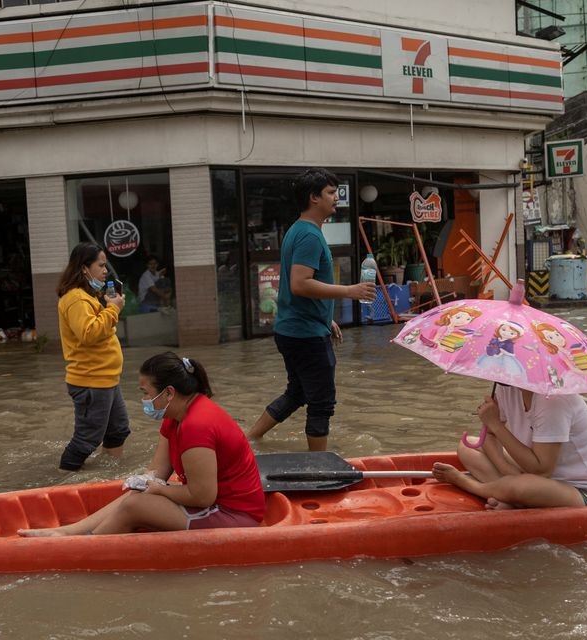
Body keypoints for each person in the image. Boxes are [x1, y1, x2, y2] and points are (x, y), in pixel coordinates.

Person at [19, 352, 265, 536]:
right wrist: (146, 482)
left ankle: (81, 547)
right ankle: (68, 532)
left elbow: (202, 497)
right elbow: (157, 473)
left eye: (147, 393)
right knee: (137, 493)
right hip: (215, 505)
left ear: (169, 393)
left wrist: (159, 490)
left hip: (235, 515)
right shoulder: (176, 418)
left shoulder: (196, 426)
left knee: (136, 505)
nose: (144, 400)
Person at [247, 168, 376, 451]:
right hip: (304, 334)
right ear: (313, 197)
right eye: (331, 193)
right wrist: (349, 291)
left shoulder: (301, 230)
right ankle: (319, 464)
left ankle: (250, 439)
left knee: (298, 393)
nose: (336, 198)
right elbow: (300, 284)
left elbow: (301, 286)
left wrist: (326, 318)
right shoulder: (309, 235)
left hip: (297, 327)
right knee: (321, 401)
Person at [431, 383, 587, 509]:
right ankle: (510, 497)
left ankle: (471, 485)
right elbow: (489, 439)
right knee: (468, 446)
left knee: (523, 486)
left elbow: (541, 471)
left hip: (584, 493)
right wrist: (508, 471)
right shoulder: (505, 387)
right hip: (534, 475)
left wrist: (494, 423)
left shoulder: (554, 401)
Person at [55, 242, 130, 471]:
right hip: (91, 380)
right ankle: (61, 483)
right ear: (84, 268)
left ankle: (109, 475)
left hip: (105, 378)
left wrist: (110, 306)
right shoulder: (76, 298)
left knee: (118, 429)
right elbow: (89, 334)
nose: (105, 271)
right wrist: (113, 309)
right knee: (86, 440)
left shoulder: (88, 295)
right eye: (101, 265)